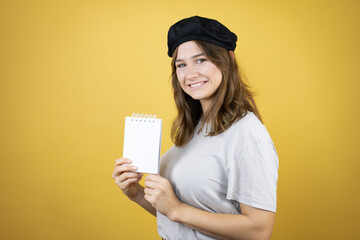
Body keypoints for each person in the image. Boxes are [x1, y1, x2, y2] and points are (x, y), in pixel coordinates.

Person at [112, 16, 279, 240]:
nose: (190, 74)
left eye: (201, 60)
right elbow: (177, 219)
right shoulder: (195, 126)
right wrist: (136, 193)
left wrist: (177, 209)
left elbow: (259, 231)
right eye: (181, 65)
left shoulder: (247, 134)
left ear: (227, 59)